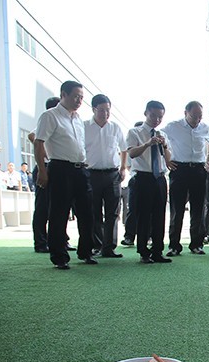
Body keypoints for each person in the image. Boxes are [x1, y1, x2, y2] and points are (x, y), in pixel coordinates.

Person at [34, 81, 96, 270]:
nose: (79, 101)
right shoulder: (50, 116)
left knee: (87, 213)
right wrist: (42, 172)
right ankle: (59, 257)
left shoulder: (78, 118)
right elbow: (38, 143)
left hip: (81, 170)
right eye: (76, 96)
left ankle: (86, 252)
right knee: (59, 214)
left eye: (82, 98)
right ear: (64, 94)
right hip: (60, 169)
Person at [162, 101, 209, 256]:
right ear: (186, 113)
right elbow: (160, 137)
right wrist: (166, 158)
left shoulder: (204, 127)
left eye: (200, 116)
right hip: (179, 170)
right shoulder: (173, 126)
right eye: (194, 116)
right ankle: (174, 245)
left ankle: (196, 244)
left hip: (199, 170)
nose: (197, 119)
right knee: (177, 210)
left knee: (198, 209)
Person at [127, 101, 173, 264]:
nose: (156, 119)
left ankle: (158, 251)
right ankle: (143, 252)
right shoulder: (135, 132)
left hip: (159, 178)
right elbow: (131, 153)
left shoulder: (163, 134)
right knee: (144, 216)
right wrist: (147, 143)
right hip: (143, 178)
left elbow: (168, 160)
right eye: (153, 115)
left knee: (159, 216)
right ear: (146, 113)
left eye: (160, 117)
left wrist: (165, 145)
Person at [85, 94, 127, 258]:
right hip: (92, 174)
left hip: (112, 174)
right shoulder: (84, 126)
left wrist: (123, 168)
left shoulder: (115, 128)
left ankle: (109, 247)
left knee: (113, 212)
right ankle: (97, 245)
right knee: (94, 211)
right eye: (102, 110)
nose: (105, 114)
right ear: (94, 109)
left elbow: (124, 149)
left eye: (108, 110)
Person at [30, 96, 62, 253]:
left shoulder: (63, 120)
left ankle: (59, 240)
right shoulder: (49, 118)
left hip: (58, 168)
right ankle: (41, 242)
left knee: (58, 207)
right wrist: (44, 156)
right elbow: (32, 136)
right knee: (43, 207)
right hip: (45, 167)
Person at [120, 121, 144, 247]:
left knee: (149, 211)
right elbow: (128, 165)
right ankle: (129, 236)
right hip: (136, 178)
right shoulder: (131, 146)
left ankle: (148, 236)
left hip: (151, 178)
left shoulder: (154, 141)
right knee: (133, 209)